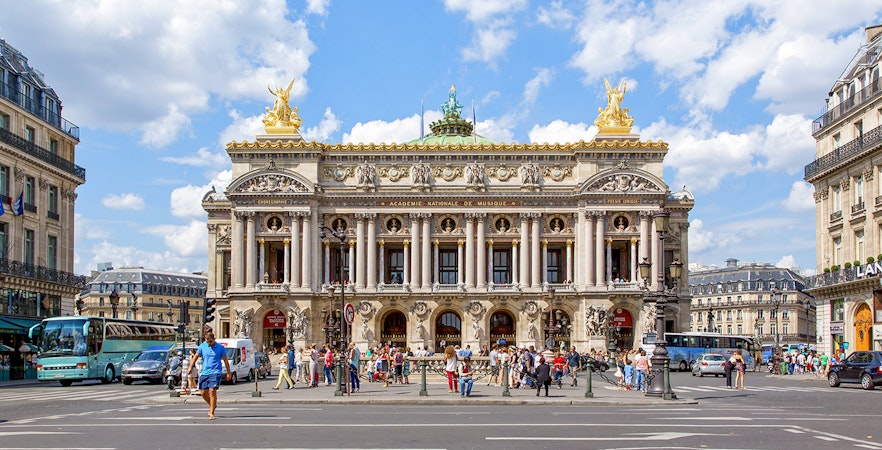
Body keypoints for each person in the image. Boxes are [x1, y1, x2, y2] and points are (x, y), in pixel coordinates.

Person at [186, 331, 231, 420]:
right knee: (203, 392)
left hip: (216, 372)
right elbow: (195, 356)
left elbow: (225, 360)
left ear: (214, 339)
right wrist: (190, 367)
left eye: (210, 341)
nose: (209, 343)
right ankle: (212, 405)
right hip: (205, 372)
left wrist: (229, 372)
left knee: (212, 391)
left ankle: (211, 412)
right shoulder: (203, 346)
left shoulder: (220, 348)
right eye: (207, 342)